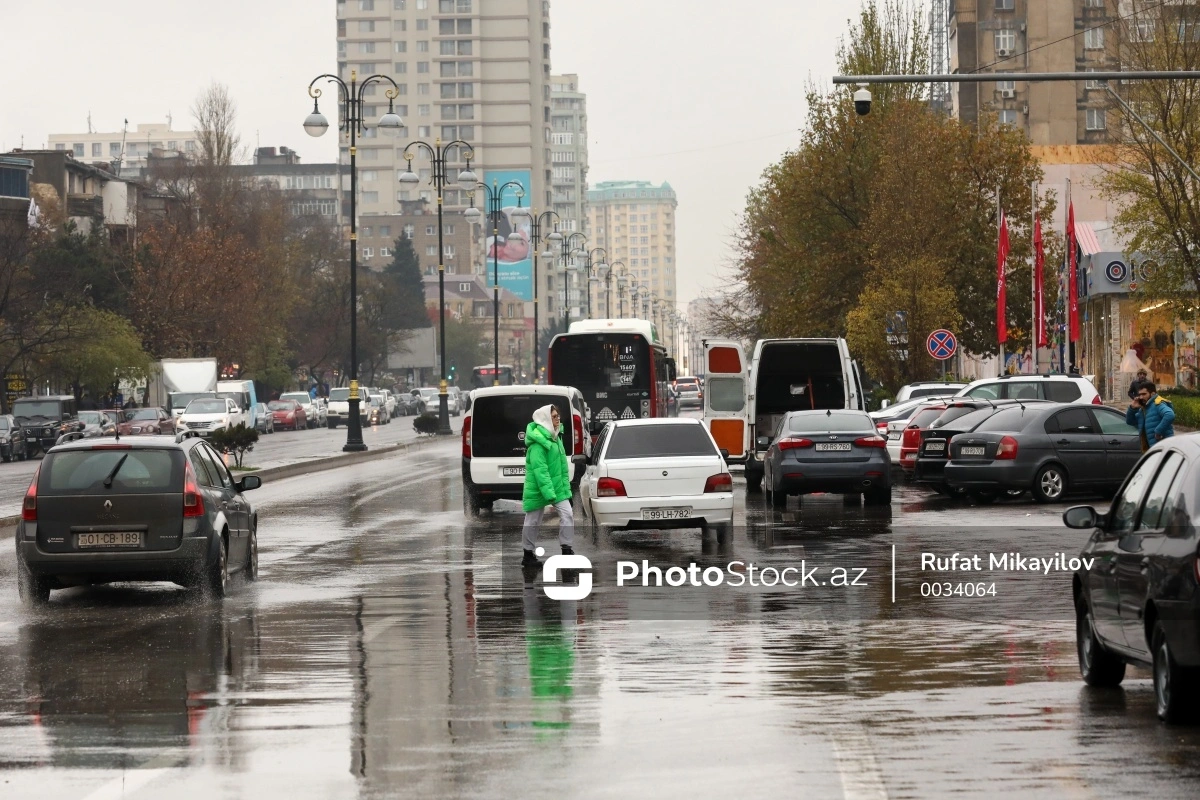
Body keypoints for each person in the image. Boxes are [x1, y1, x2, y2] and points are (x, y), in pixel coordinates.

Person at [521, 404, 574, 568]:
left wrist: (566, 492)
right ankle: (528, 555)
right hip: (538, 487)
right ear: (545, 419)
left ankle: (567, 550)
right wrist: (549, 493)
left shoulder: (555, 437)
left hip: (556, 487)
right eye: (554, 417)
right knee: (533, 520)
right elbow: (540, 471)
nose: (558, 419)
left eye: (558, 416)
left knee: (568, 514)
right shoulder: (538, 443)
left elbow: (562, 468)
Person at [1126, 381, 1175, 451]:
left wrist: (1158, 431)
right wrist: (1132, 408)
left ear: (1152, 394)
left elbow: (1169, 415)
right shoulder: (1143, 408)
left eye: (1144, 394)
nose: (1141, 397)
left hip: (1163, 448)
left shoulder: (1158, 404)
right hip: (1151, 448)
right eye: (1139, 395)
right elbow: (1130, 422)